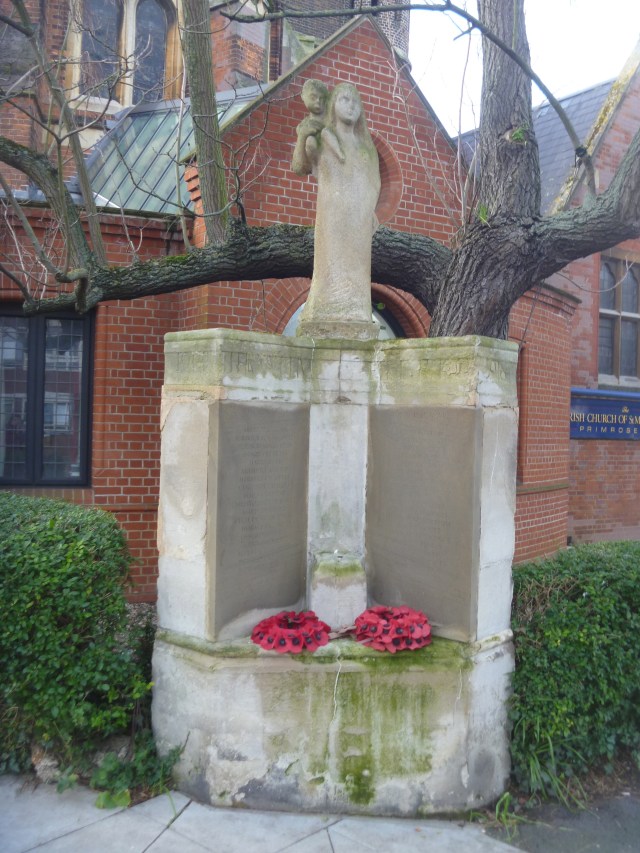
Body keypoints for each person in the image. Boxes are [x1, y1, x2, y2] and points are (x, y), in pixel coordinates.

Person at [296, 83, 381, 339]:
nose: (351, 105)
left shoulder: (367, 148)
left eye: (355, 101)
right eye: (344, 99)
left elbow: (374, 181)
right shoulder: (322, 137)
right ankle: (324, 308)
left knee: (357, 269)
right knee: (329, 264)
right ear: (333, 104)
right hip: (333, 215)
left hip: (359, 219)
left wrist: (371, 210)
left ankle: (356, 312)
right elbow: (299, 166)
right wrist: (302, 137)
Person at [291, 79, 329, 177]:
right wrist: (302, 137)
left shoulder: (331, 121)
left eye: (322, 98)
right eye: (313, 97)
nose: (318, 101)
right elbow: (298, 168)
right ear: (303, 96)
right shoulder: (303, 126)